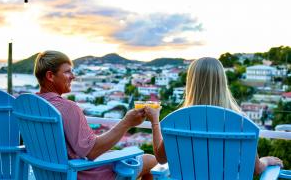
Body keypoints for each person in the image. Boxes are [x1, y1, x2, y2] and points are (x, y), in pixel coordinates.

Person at [145, 57, 283, 175]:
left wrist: (154, 122)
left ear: (191, 83)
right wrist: (267, 160)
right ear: (222, 81)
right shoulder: (240, 120)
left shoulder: (177, 119)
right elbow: (256, 169)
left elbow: (161, 158)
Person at [34, 51, 157, 180]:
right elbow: (91, 152)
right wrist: (127, 122)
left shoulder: (33, 106)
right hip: (81, 174)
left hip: (49, 173)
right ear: (50, 76)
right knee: (151, 160)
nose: (73, 76)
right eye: (67, 72)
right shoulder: (67, 107)